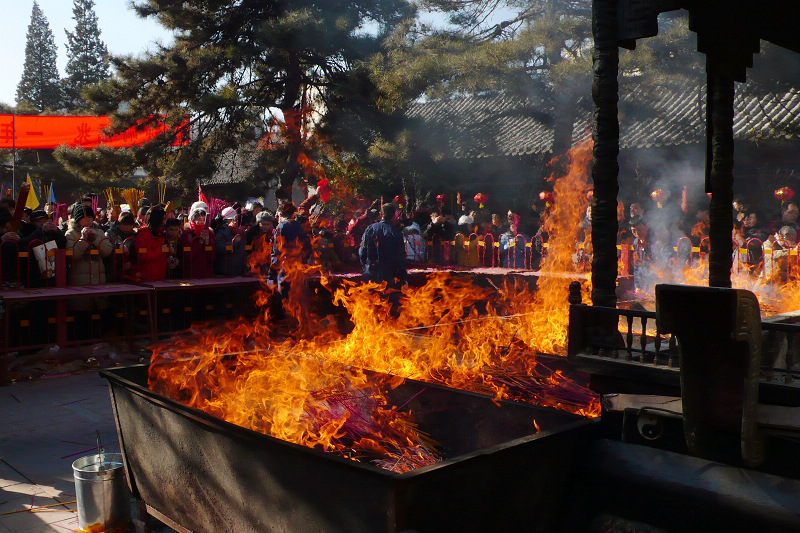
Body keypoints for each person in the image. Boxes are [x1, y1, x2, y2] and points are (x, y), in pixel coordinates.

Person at [359, 203, 407, 289]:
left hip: (371, 273)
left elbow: (362, 251)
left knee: (370, 300)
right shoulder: (396, 232)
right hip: (390, 275)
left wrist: (365, 267)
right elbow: (401, 257)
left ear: (381, 214)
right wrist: (403, 277)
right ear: (393, 216)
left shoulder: (370, 229)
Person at [65, 204, 114, 286]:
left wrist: (95, 239)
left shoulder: (99, 232)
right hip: (79, 279)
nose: (87, 220)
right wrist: (83, 239)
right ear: (78, 219)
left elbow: (107, 251)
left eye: (90, 217)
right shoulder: (71, 234)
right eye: (84, 217)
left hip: (98, 278)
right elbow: (73, 255)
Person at [180, 201, 215, 278]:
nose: (201, 221)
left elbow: (213, 257)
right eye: (198, 218)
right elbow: (187, 256)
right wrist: (200, 243)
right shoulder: (187, 234)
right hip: (191, 273)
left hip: (206, 273)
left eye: (203, 219)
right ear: (192, 218)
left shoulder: (210, 233)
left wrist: (208, 243)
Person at [134, 206, 168, 281]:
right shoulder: (143, 234)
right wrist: (161, 250)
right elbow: (142, 256)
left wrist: (168, 252)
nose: (165, 222)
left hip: (160, 275)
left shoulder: (160, 234)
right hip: (147, 277)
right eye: (164, 219)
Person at [214, 206, 246, 276]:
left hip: (238, 271)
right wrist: (233, 243)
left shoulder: (241, 234)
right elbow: (219, 247)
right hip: (225, 271)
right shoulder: (222, 231)